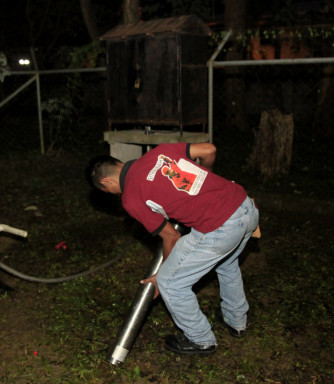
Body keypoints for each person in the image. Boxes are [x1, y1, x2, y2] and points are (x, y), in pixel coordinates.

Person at [89, 142, 259, 355]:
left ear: (106, 181)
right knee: (227, 264)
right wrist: (206, 179)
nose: (114, 194)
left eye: (109, 191)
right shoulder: (160, 151)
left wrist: (163, 275)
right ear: (120, 163)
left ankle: (201, 340)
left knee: (170, 283)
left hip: (222, 228)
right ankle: (236, 321)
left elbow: (171, 235)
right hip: (245, 206)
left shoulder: (131, 198)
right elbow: (209, 150)